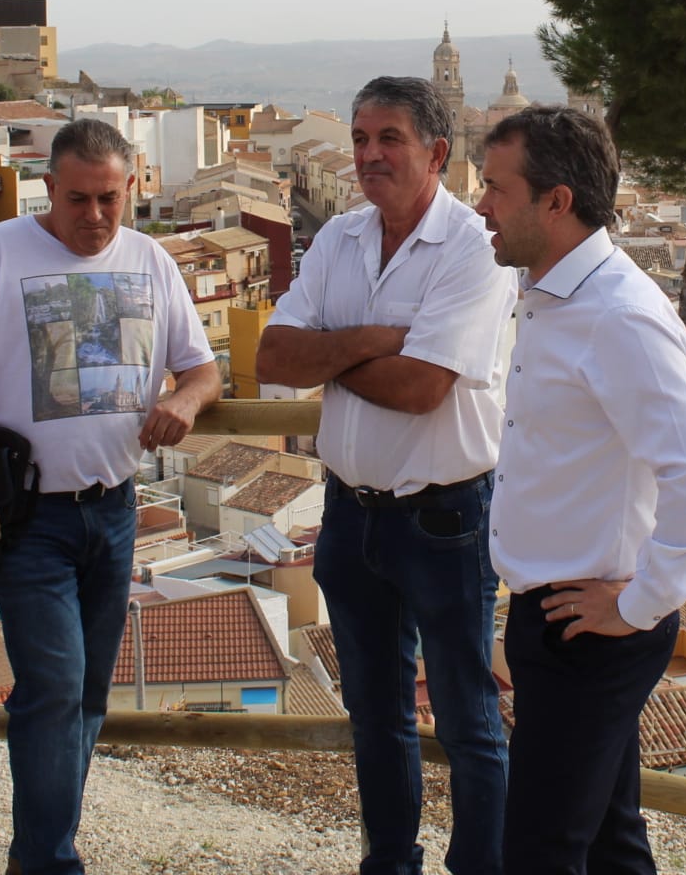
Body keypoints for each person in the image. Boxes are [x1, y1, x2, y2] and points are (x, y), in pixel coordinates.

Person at [0, 117, 221, 875]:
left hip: (115, 510)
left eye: (109, 201)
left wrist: (185, 404)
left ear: (131, 190)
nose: (94, 217)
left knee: (87, 695)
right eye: (78, 200)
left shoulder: (152, 260)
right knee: (55, 688)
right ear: (49, 189)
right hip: (27, 517)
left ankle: (43, 847)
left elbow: (203, 369)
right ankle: (48, 860)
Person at [257, 75, 517, 875]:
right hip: (349, 516)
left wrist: (331, 354)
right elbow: (271, 357)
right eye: (361, 139)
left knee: (471, 718)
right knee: (376, 713)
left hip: (447, 519)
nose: (368, 155)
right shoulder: (338, 238)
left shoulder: (478, 247)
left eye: (388, 140)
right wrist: (378, 337)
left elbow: (422, 389)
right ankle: (390, 865)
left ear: (438, 153)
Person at [473, 104, 686, 875]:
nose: (481, 205)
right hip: (562, 617)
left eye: (496, 188)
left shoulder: (617, 317)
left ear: (556, 202)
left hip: (592, 628)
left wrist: (637, 603)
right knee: (610, 842)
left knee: (540, 852)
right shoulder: (554, 296)